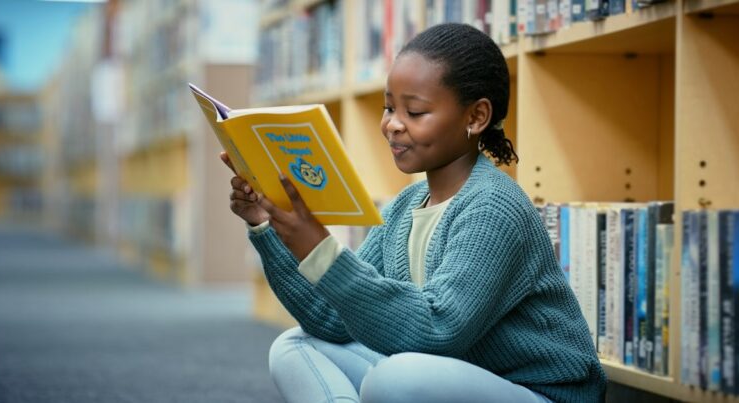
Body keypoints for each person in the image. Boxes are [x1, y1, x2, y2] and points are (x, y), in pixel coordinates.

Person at [221, 23, 606, 403]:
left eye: (415, 111)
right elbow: (331, 319)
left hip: (539, 392)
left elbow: (438, 330)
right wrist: (266, 225)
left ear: (475, 117)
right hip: (452, 377)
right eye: (389, 107)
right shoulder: (405, 207)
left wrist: (321, 250)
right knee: (295, 346)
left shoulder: (493, 207)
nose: (392, 124)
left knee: (394, 378)